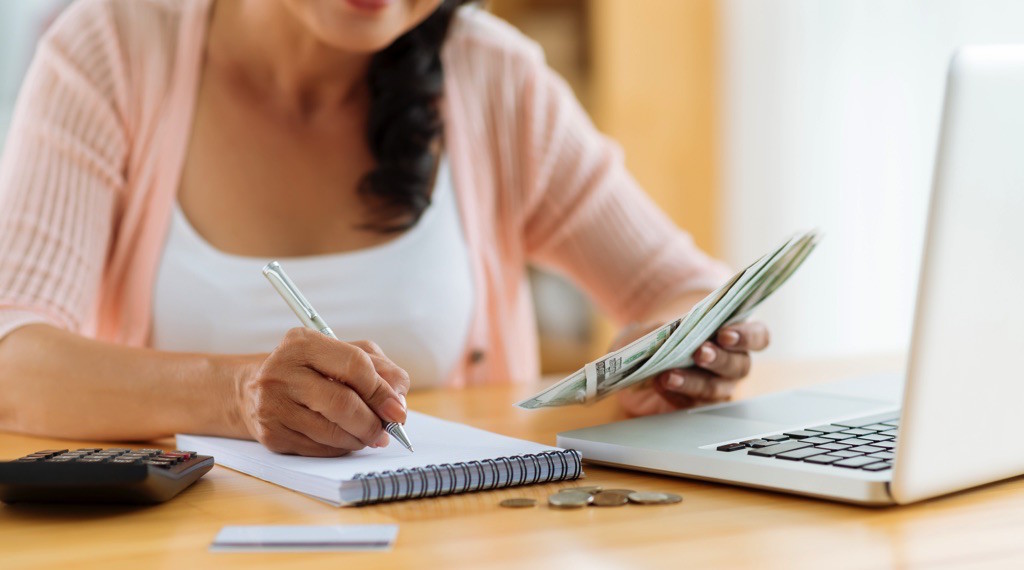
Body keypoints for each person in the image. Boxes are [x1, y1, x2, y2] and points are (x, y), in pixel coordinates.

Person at [0, 0, 769, 456]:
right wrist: (234, 395)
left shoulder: (491, 75)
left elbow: (683, 284)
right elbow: (13, 358)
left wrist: (680, 350)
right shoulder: (111, 51)